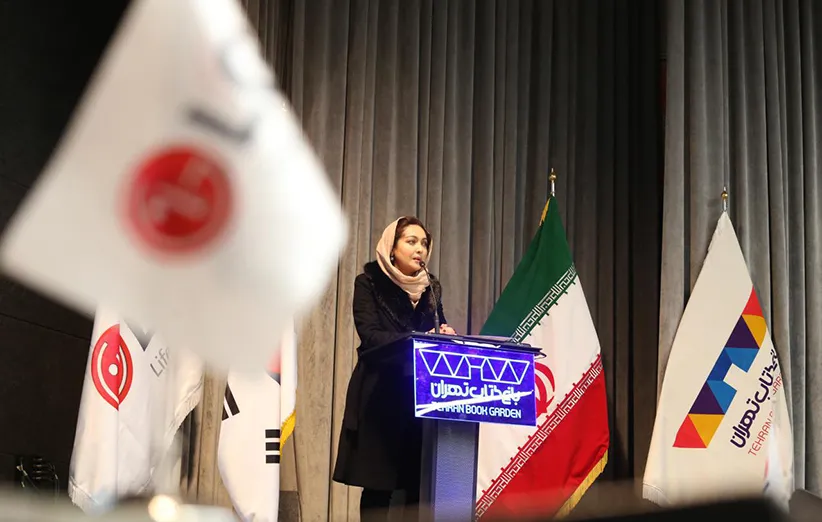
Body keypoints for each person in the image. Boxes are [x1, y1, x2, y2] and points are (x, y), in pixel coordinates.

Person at [332, 216, 456, 522]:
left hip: (419, 397)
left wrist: (445, 335)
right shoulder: (369, 283)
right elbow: (370, 336)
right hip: (379, 394)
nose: (420, 249)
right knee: (379, 485)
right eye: (411, 241)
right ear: (392, 248)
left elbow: (436, 330)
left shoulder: (431, 289)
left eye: (424, 243)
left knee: (415, 487)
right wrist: (418, 339)